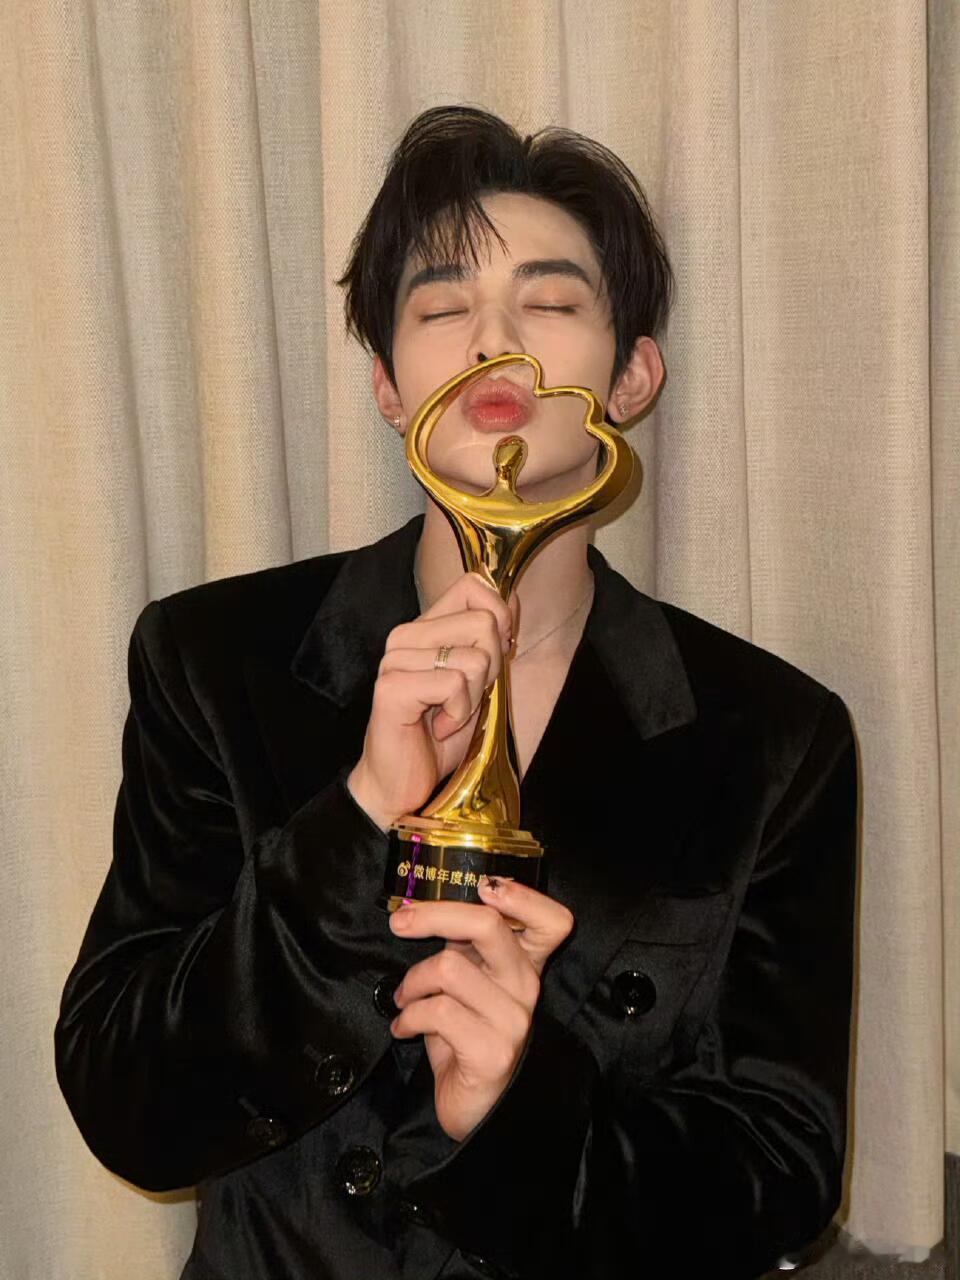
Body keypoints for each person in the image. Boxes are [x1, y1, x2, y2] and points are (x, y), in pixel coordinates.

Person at [54, 105, 858, 1280]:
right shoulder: (215, 659)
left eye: (551, 301)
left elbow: (780, 1175)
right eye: (442, 307)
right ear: (390, 384)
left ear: (633, 374)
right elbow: (128, 1102)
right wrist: (360, 815)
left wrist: (516, 1112)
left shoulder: (773, 735)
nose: (495, 341)